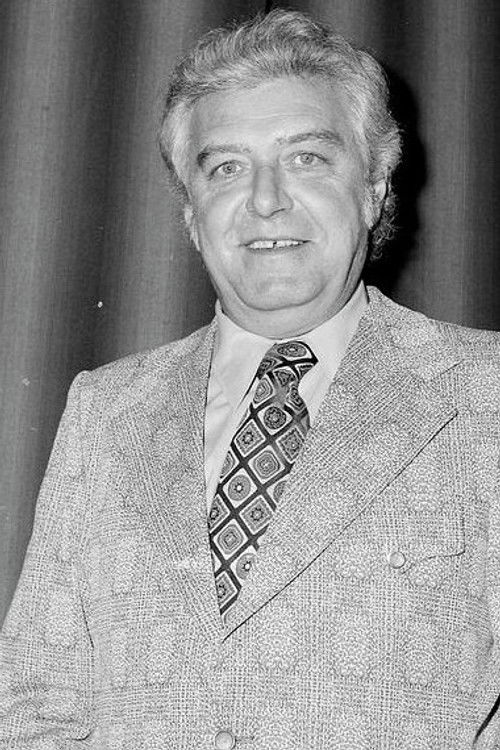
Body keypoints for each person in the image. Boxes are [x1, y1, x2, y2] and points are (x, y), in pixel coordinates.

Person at [1, 8, 499, 749]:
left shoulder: (485, 395)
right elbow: (33, 703)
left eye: (307, 158)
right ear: (191, 213)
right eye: (227, 167)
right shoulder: (104, 413)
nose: (266, 200)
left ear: (374, 189)